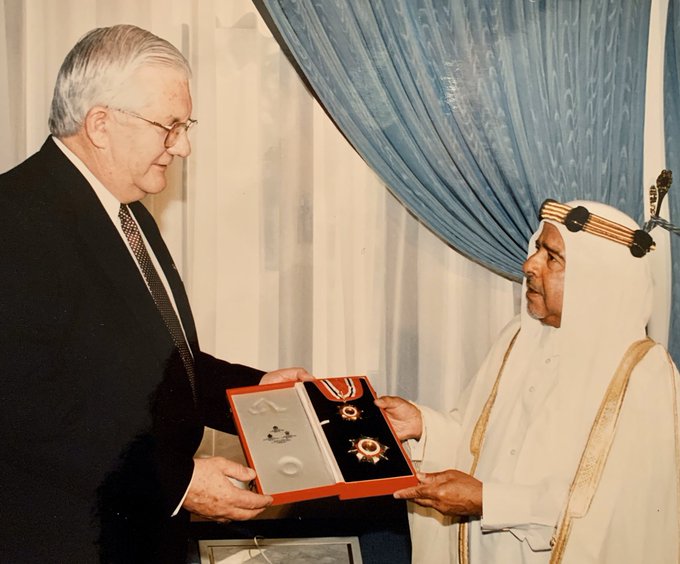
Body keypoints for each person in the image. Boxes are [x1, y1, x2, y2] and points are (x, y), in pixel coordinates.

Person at [0, 24, 311, 563]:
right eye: (170, 127)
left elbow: (157, 364)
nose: (183, 147)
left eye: (185, 127)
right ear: (100, 124)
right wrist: (178, 482)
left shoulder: (129, 213)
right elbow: (22, 406)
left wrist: (255, 389)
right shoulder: (14, 216)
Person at [377, 199, 680, 563]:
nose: (529, 265)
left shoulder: (642, 372)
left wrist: (489, 500)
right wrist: (422, 426)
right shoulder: (518, 337)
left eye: (552, 258)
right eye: (538, 249)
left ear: (598, 280)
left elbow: (617, 510)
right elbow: (476, 444)